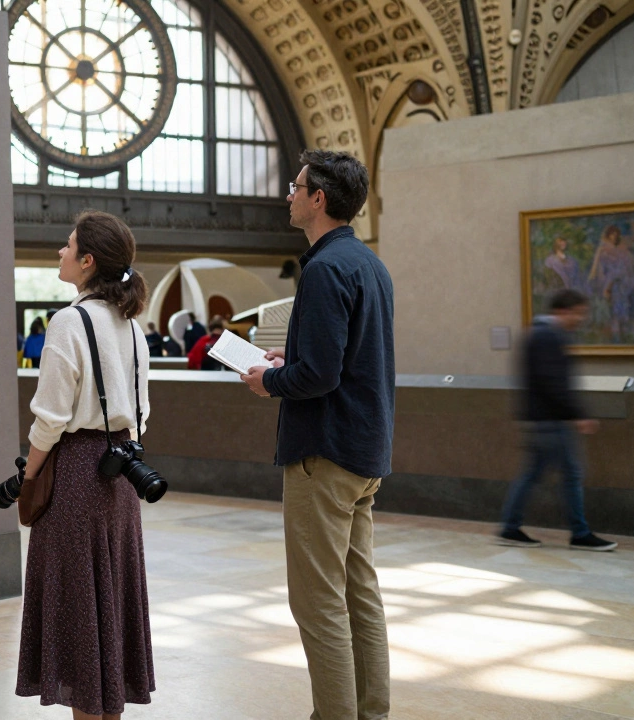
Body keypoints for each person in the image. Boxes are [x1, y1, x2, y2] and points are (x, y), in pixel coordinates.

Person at [240, 149, 394, 720]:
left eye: (296, 186)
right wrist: (293, 356)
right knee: (360, 596)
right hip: (364, 451)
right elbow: (347, 359)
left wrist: (270, 380)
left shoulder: (325, 269)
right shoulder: (368, 263)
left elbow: (322, 376)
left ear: (319, 199)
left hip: (323, 454)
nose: (289, 194)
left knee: (318, 603)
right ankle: (369, 713)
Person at [17, 210, 154, 719]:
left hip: (74, 476)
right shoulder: (131, 327)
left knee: (79, 627)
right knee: (109, 621)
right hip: (121, 478)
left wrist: (30, 477)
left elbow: (49, 420)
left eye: (67, 245)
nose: (60, 251)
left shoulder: (69, 322)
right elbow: (141, 413)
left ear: (87, 261)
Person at [497, 289, 618, 551]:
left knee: (531, 474)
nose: (581, 319)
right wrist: (578, 414)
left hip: (541, 420)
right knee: (571, 474)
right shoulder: (547, 336)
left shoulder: (538, 334)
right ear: (564, 310)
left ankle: (509, 527)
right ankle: (580, 533)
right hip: (551, 422)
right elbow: (553, 383)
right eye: (578, 313)